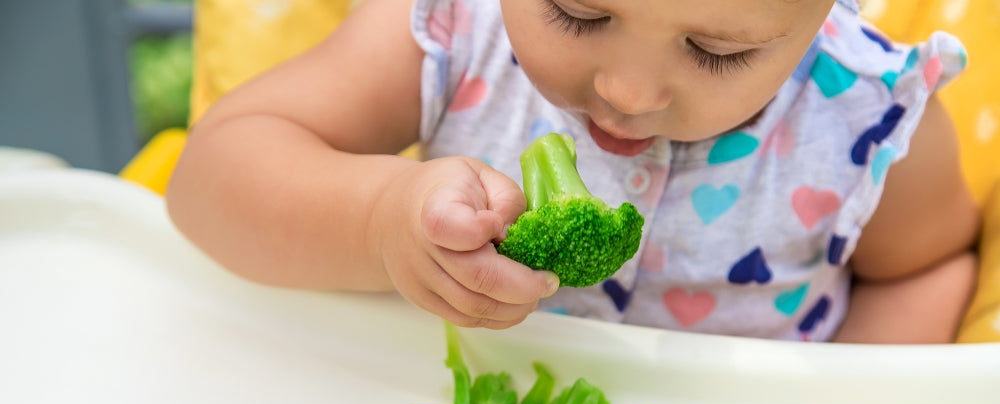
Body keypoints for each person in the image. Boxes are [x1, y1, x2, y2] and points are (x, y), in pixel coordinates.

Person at [166, 0, 981, 343]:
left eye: (715, 50)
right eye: (578, 11)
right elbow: (214, 173)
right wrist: (378, 218)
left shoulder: (867, 119)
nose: (627, 90)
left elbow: (929, 267)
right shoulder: (455, 32)